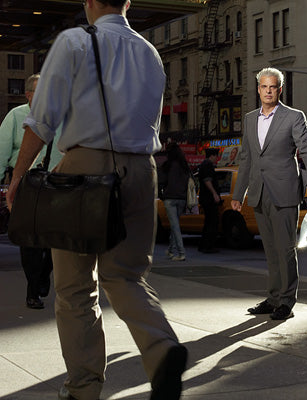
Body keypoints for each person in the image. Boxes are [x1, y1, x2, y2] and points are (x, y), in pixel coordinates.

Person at [6, 1, 187, 398]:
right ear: (127, 3)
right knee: (125, 276)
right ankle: (163, 350)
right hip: (141, 170)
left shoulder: (74, 42)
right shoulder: (151, 52)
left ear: (89, 2)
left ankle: (83, 387)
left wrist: (18, 176)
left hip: (84, 171)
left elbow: (40, 119)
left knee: (74, 288)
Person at [231, 67, 307, 320]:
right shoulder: (250, 119)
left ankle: (286, 302)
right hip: (259, 193)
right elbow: (247, 159)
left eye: (273, 87)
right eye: (264, 87)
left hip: (284, 192)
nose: (268, 91)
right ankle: (273, 298)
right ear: (258, 89)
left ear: (280, 89)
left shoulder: (294, 117)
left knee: (285, 250)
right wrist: (238, 194)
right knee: (270, 250)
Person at [0, 74, 62, 310]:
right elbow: (1, 151)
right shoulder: (15, 116)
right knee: (30, 242)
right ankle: (32, 290)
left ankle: (43, 275)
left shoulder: (63, 116)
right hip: (28, 185)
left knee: (54, 240)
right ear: (28, 95)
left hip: (59, 187)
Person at [158, 143, 191, 261]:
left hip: (170, 198)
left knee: (175, 226)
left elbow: (161, 182)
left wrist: (162, 196)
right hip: (182, 198)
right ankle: (171, 250)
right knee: (174, 225)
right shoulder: (184, 166)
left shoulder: (167, 166)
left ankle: (181, 253)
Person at [197, 147, 221, 253]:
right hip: (208, 198)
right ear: (212, 156)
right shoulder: (207, 165)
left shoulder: (204, 164)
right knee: (211, 222)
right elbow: (207, 180)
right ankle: (207, 246)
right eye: (216, 156)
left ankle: (204, 245)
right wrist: (214, 193)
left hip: (206, 198)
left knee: (209, 222)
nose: (217, 158)